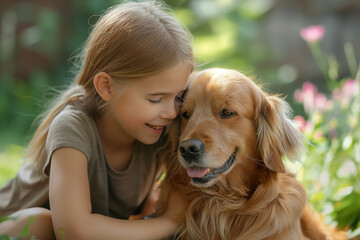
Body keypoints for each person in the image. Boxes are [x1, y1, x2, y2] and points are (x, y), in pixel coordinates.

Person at [0, 1, 193, 239]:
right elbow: (72, 231)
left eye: (179, 97)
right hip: (12, 224)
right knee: (42, 222)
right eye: (156, 99)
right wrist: (169, 223)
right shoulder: (73, 127)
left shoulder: (160, 129)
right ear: (106, 87)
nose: (171, 112)